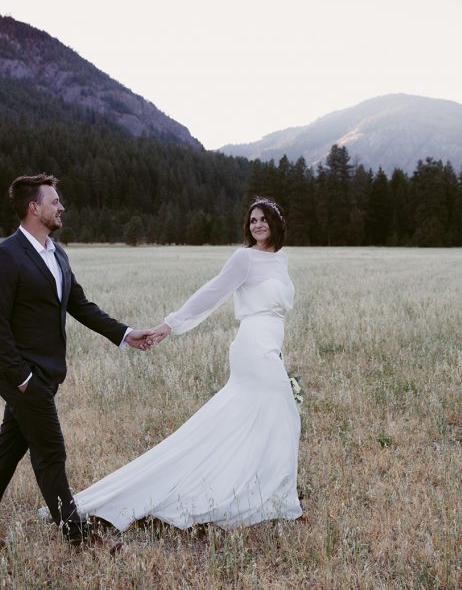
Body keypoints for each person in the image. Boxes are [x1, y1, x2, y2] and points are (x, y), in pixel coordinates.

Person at [72, 197, 303, 531]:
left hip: (271, 346)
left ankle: (265, 494)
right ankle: (282, 501)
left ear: (276, 222)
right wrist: (171, 324)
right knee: (284, 414)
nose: (257, 225)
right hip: (252, 348)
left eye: (263, 219)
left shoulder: (281, 259)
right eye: (252, 220)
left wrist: (278, 352)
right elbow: (211, 293)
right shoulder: (244, 258)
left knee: (262, 420)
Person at [0, 173, 154, 547]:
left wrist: (125, 334)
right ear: (34, 208)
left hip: (48, 374)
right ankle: (77, 535)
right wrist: (20, 378)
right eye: (54, 201)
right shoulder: (4, 256)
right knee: (51, 452)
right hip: (24, 377)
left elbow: (79, 305)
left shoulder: (57, 253)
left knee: (10, 448)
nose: (61, 206)